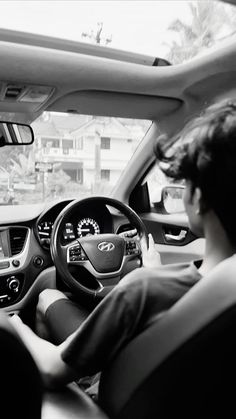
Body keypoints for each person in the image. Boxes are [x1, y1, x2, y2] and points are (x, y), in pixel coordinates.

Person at [11, 98, 236, 393]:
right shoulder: (159, 285)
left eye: (186, 184)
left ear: (198, 198)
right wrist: (155, 270)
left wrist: (13, 326)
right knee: (50, 297)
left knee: (43, 302)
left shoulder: (143, 290)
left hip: (107, 395)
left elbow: (51, 369)